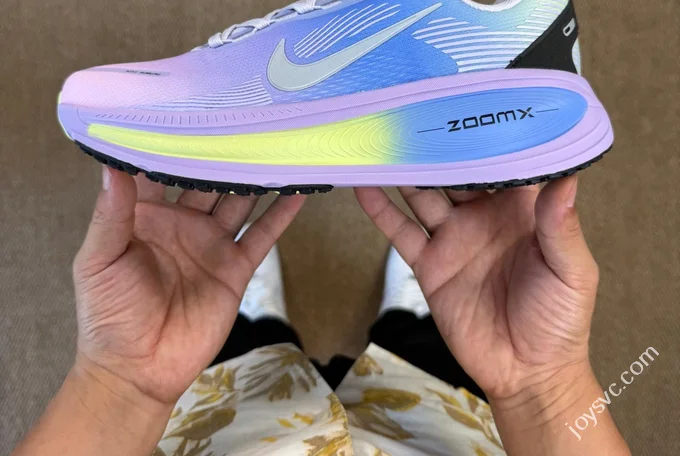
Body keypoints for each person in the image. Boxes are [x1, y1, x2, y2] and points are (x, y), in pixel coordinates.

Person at [14, 168, 630, 455]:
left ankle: (256, 323)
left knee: (243, 355)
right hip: (439, 435)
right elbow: (536, 391)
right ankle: (416, 319)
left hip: (230, 435)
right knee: (427, 353)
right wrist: (541, 387)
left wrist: (121, 383)